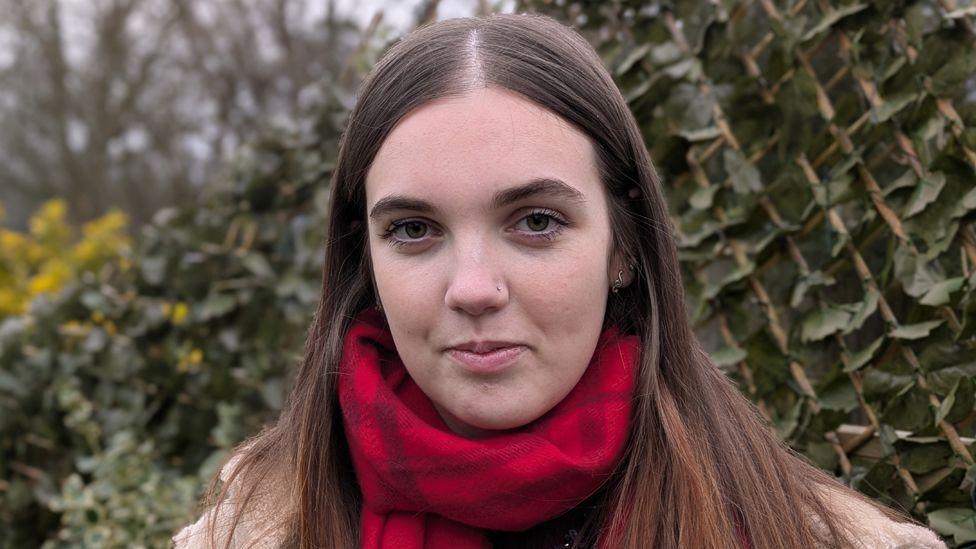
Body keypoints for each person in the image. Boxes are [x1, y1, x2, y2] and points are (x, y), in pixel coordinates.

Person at [173, 13, 947, 549]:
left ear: (625, 248)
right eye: (414, 230)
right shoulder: (244, 532)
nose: (473, 287)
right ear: (364, 259)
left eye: (535, 221)